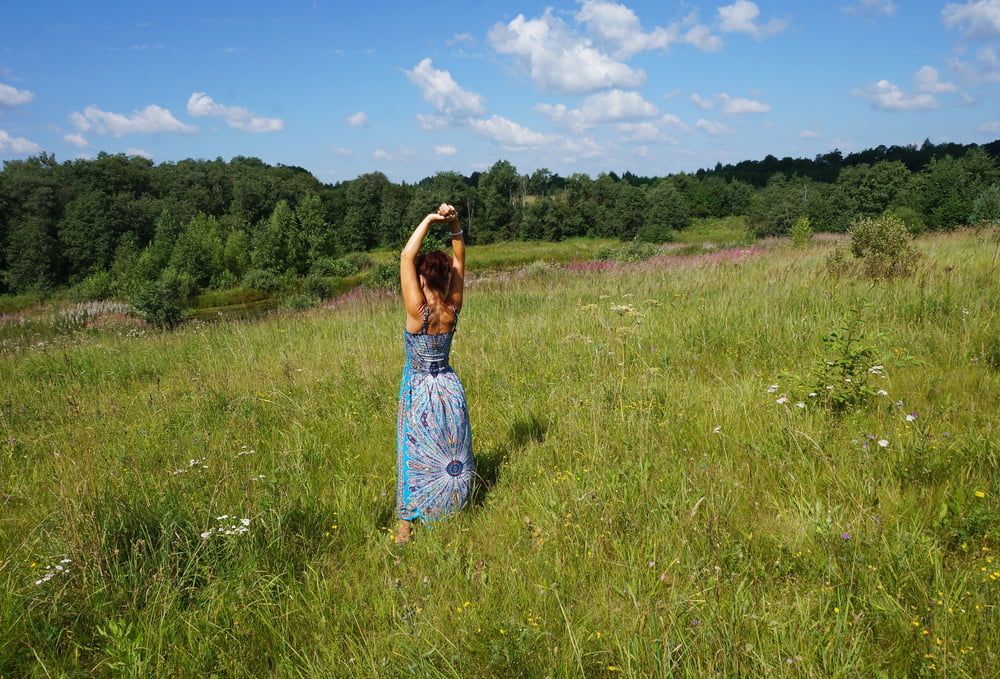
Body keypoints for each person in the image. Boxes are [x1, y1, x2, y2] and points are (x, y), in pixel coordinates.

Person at [395, 203, 474, 543]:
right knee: (449, 448)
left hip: (420, 389)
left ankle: (408, 522)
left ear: (424, 276)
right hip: (449, 386)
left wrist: (429, 220)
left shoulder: (418, 311)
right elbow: (460, 259)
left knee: (414, 450)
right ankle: (452, 506)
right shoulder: (452, 306)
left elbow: (405, 257)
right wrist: (454, 224)